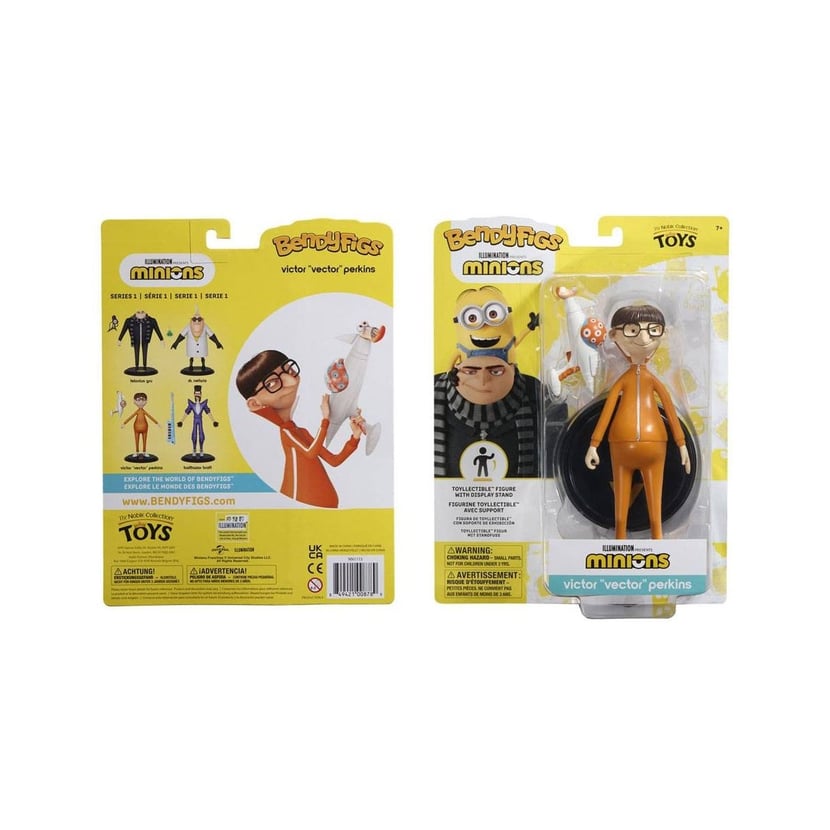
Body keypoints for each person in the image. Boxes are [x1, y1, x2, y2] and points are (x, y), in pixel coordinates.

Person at [585, 304, 691, 539]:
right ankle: (619, 538)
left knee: (655, 502)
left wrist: (682, 444)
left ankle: (658, 539)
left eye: (653, 330)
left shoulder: (653, 381)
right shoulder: (622, 381)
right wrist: (594, 444)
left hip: (655, 444)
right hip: (620, 444)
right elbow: (606, 411)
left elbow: (670, 410)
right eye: (632, 330)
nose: (643, 338)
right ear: (614, 335)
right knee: (621, 502)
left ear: (663, 333)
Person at [236, 350, 365, 508]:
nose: (292, 381)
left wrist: (355, 437)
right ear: (255, 403)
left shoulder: (300, 431)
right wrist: (325, 419)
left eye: (289, 370)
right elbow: (310, 452)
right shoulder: (287, 432)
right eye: (272, 383)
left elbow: (334, 460)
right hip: (302, 503)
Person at [122, 392, 159, 457]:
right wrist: (124, 423)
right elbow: (131, 417)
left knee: (145, 439)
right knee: (136, 439)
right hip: (136, 428)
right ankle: (137, 452)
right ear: (134, 401)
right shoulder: (137, 411)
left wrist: (157, 423)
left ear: (146, 401)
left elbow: (150, 417)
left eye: (143, 400)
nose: (141, 402)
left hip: (145, 427)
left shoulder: (143, 411)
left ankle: (144, 452)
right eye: (138, 400)